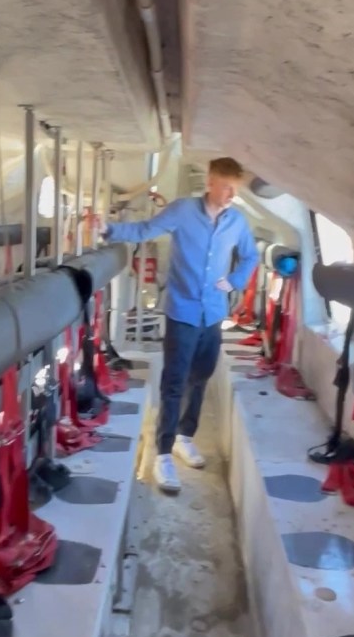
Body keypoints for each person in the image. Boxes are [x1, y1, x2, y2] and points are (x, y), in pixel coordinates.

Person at [102, 157, 259, 493]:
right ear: (211, 182)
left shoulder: (237, 221)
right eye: (226, 186)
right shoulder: (183, 211)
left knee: (200, 379)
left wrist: (234, 281)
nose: (231, 194)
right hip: (182, 313)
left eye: (236, 188)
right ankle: (162, 454)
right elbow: (145, 230)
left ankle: (185, 437)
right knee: (174, 383)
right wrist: (108, 229)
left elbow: (251, 255)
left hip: (213, 314)